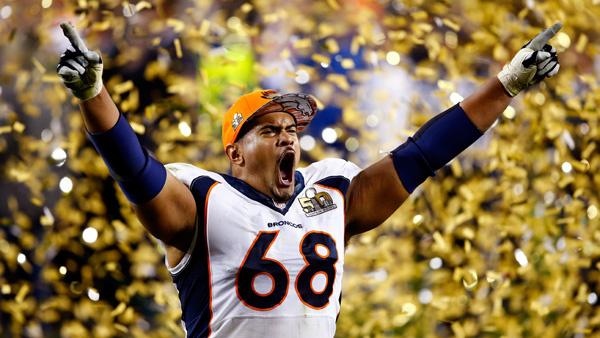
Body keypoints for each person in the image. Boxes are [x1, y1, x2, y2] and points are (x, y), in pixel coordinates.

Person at [56, 21, 561, 338]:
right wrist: (93, 94)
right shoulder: (202, 200)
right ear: (235, 153)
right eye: (270, 130)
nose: (288, 139)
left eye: (293, 130)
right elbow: (136, 171)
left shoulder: (332, 190)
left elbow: (422, 155)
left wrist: (507, 84)